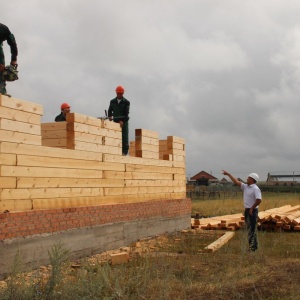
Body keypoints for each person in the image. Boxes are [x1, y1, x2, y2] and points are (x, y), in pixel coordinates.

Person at [222, 170, 262, 252]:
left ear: (252, 179)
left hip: (252, 211)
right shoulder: (246, 186)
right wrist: (229, 174)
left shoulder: (255, 189)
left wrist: (252, 208)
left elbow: (259, 200)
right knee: (250, 228)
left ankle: (252, 248)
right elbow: (236, 182)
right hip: (247, 210)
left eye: (248, 178)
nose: (247, 179)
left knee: (252, 229)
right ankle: (254, 247)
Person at [108, 86, 130, 155]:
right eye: (118, 93)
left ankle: (124, 152)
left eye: (121, 94)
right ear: (116, 93)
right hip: (115, 122)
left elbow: (126, 114)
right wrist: (110, 116)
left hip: (124, 123)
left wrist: (122, 121)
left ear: (123, 93)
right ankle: (115, 152)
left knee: (124, 137)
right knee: (114, 137)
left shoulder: (126, 102)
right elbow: (110, 110)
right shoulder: (112, 101)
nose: (119, 95)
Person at [0, 23, 18, 96]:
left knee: (1, 65)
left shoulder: (5, 30)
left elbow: (13, 44)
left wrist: (14, 59)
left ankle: (2, 91)